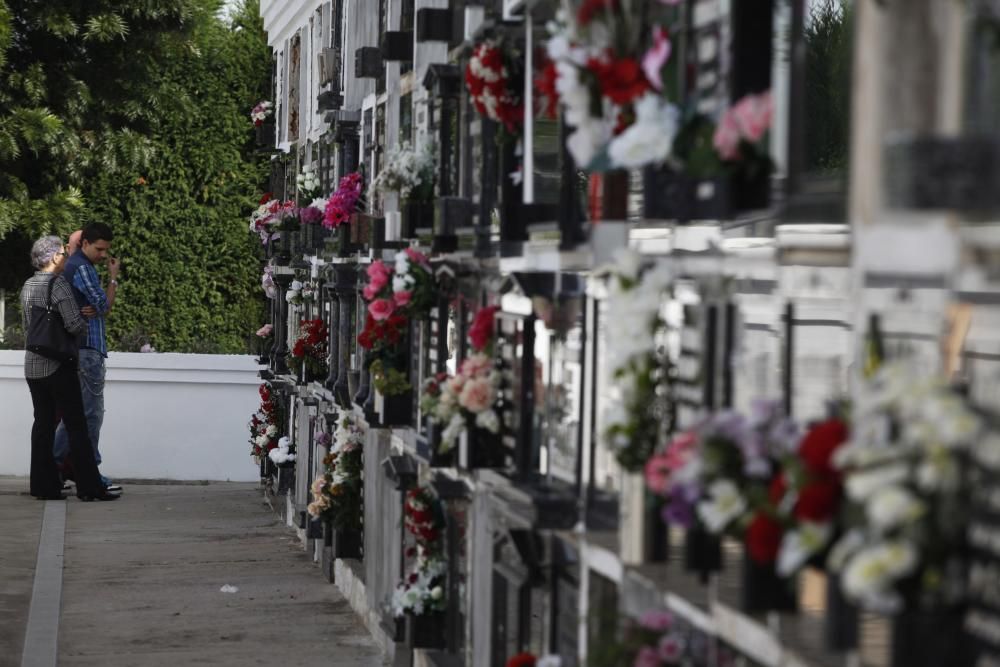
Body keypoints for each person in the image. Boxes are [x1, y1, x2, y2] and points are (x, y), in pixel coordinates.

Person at [21, 236, 119, 501]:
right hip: (58, 365)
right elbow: (75, 324)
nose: (66, 256)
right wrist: (83, 324)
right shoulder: (59, 284)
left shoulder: (28, 285)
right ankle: (90, 488)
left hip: (33, 364)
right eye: (63, 253)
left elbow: (28, 325)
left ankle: (43, 486)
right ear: (53, 258)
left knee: (42, 424)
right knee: (78, 426)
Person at [52, 222, 122, 492]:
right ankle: (89, 472)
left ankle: (56, 467)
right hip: (88, 350)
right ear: (84, 244)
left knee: (76, 415)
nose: (103, 255)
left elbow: (97, 307)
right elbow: (104, 306)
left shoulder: (76, 267)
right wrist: (113, 278)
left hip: (80, 349)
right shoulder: (82, 267)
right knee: (91, 415)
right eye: (99, 249)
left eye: (106, 251)